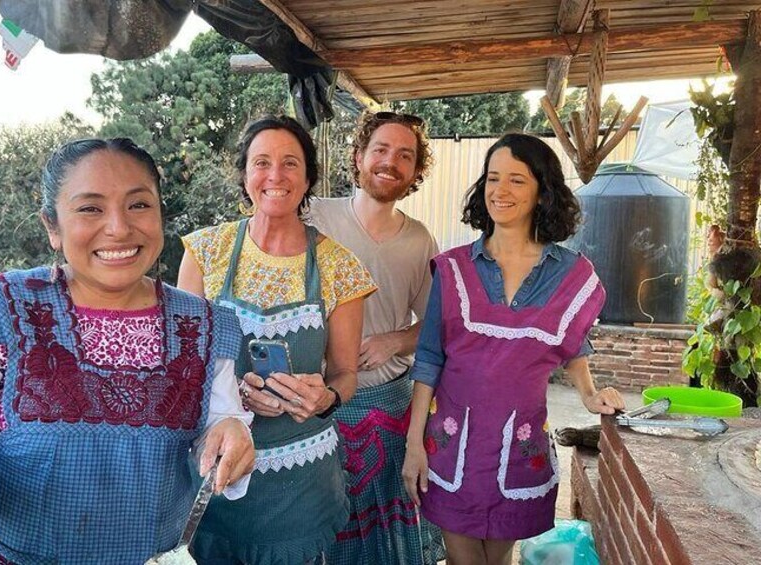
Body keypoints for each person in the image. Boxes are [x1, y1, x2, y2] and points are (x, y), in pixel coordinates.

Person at [0, 138, 255, 565]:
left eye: (139, 205)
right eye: (90, 208)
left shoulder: (203, 325)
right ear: (52, 227)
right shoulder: (4, 311)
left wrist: (232, 433)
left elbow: (220, 419)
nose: (118, 227)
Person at [402, 133, 626, 565]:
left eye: (517, 181)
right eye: (492, 178)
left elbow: (573, 343)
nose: (500, 191)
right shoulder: (453, 269)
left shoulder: (571, 274)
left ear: (543, 191)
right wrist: (414, 445)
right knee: (464, 557)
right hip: (452, 447)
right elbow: (429, 360)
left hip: (517, 447)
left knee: (500, 557)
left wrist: (588, 394)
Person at [178, 115, 377, 564]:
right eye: (261, 162)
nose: (275, 176)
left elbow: (346, 374)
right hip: (217, 474)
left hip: (301, 485)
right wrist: (234, 396)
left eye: (290, 163)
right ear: (245, 174)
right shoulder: (205, 252)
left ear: (308, 177)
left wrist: (323, 397)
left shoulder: (340, 267)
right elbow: (185, 367)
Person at [307, 110, 444, 565]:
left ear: (415, 172)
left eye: (405, 155)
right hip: (315, 408)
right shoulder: (315, 217)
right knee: (322, 533)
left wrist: (395, 340)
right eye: (381, 150)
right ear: (359, 156)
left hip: (388, 411)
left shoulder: (420, 241)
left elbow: (436, 326)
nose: (391, 162)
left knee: (387, 545)